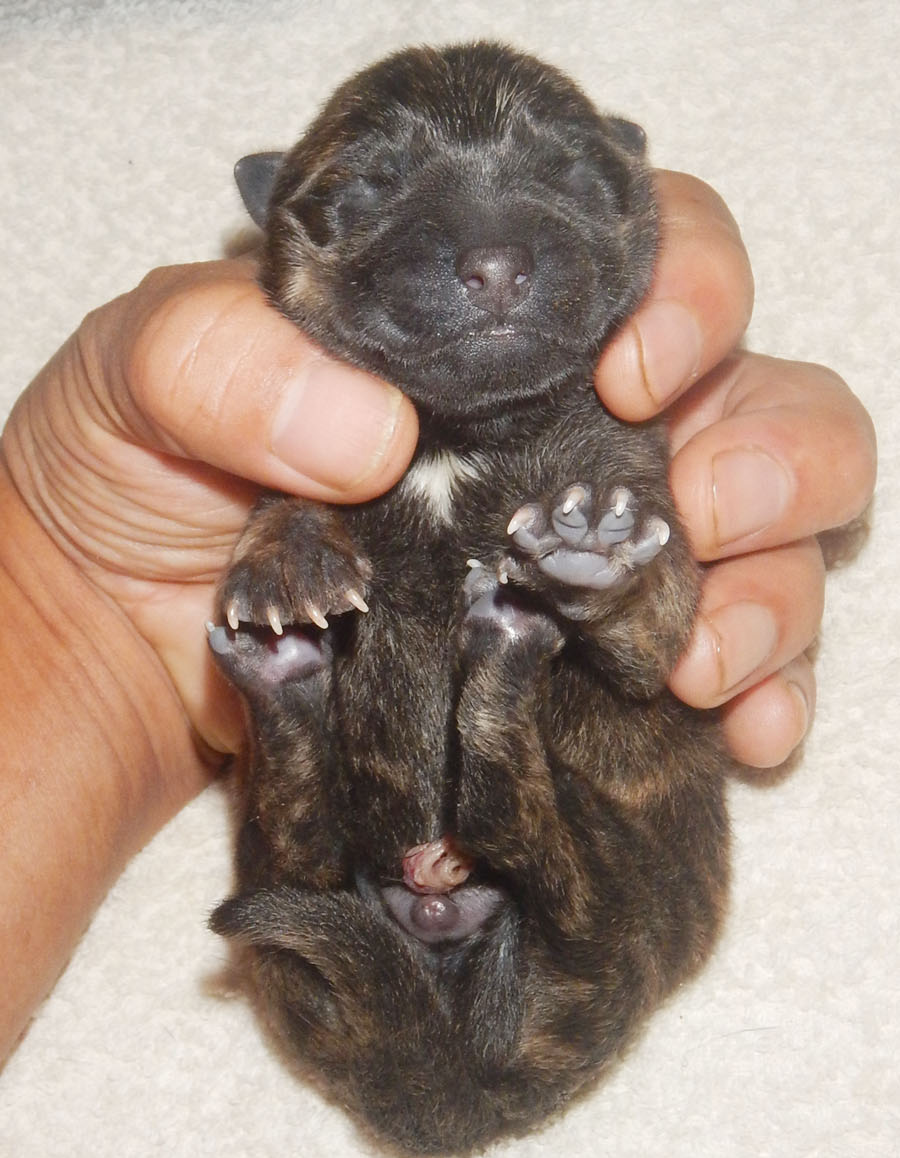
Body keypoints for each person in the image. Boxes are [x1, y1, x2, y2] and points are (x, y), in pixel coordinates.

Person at [0, 173, 876, 1065]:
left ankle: (424, 704)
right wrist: (81, 610)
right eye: (372, 195)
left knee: (638, 626)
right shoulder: (329, 447)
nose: (492, 262)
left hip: (564, 915)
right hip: (509, 914)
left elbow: (641, 660)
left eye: (561, 185)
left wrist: (81, 611)